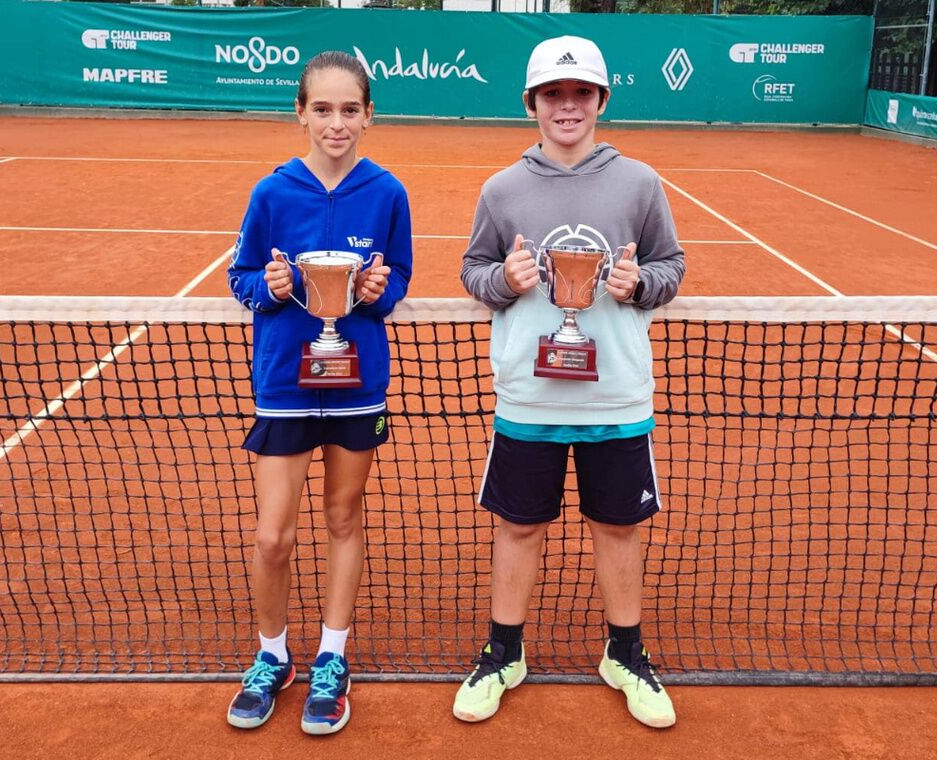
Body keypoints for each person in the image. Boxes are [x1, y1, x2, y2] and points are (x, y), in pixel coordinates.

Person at [455, 35, 685, 729]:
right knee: (518, 527)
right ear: (532, 103)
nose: (567, 106)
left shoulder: (640, 182)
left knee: (617, 527)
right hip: (529, 393)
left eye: (580, 93)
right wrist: (505, 280)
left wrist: (640, 281)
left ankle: (625, 653)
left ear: (600, 100)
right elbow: (474, 270)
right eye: (553, 94)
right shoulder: (502, 189)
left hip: (616, 392)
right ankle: (504, 653)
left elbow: (671, 266)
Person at [225, 51, 412, 735]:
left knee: (343, 517)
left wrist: (375, 292)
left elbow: (399, 280)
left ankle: (333, 654)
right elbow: (240, 275)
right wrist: (266, 290)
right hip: (282, 382)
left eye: (350, 110)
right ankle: (272, 655)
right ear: (300, 112)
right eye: (323, 109)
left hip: (357, 381)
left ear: (368, 116)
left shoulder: (387, 192)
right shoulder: (272, 194)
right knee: (272, 535)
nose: (337, 123)